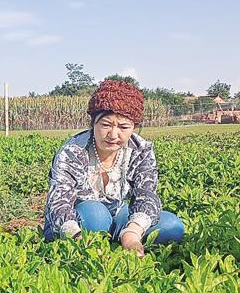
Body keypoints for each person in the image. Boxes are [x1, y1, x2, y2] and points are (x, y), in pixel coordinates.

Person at [42, 79, 184, 256]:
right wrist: (76, 236)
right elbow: (59, 203)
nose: (113, 135)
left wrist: (132, 233)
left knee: (172, 227)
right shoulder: (72, 151)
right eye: (106, 125)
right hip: (74, 222)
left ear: (134, 127)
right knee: (96, 215)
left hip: (117, 214)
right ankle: (90, 244)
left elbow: (146, 195)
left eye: (124, 127)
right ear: (93, 123)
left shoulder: (140, 150)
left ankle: (119, 238)